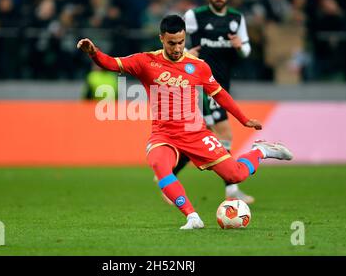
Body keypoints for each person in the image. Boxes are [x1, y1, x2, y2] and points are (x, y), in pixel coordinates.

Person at [77, 15, 293, 230]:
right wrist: (93, 52)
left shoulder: (197, 66)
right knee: (159, 165)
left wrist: (244, 120)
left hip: (195, 133)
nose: (178, 48)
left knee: (235, 174)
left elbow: (220, 95)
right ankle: (192, 217)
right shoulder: (146, 61)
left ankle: (261, 151)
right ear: (161, 38)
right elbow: (111, 63)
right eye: (172, 43)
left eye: (181, 42)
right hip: (164, 134)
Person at [180, 0, 254, 203]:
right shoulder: (195, 16)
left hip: (221, 84)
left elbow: (247, 49)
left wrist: (240, 48)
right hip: (200, 83)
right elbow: (175, 40)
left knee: (205, 136)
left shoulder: (236, 18)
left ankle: (166, 176)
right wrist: (185, 54)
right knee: (224, 133)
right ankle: (232, 190)